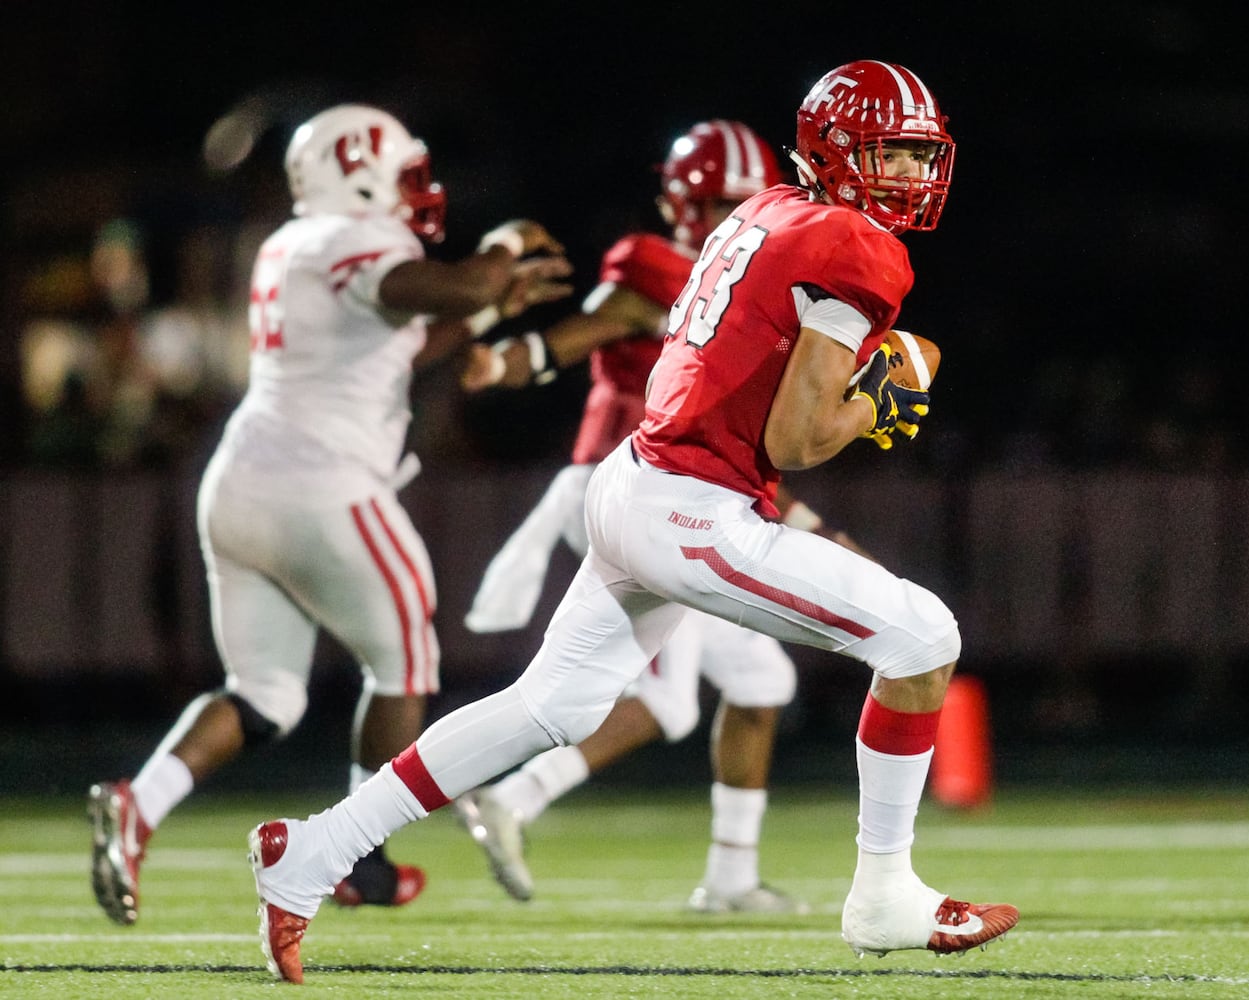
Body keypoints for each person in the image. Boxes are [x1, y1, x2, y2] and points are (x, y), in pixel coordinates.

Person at [249, 62, 1018, 984]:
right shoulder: (855, 246)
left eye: (917, 156)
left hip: (635, 480)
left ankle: (312, 850)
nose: (908, 176)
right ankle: (884, 893)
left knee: (551, 706)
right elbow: (799, 437)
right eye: (890, 153)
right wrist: (883, 398)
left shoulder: (769, 208)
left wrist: (865, 380)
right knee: (923, 635)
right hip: (691, 504)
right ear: (837, 151)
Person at [87, 103, 574, 926]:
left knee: (266, 693)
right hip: (324, 487)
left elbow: (400, 345)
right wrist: (502, 255)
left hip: (240, 483)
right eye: (406, 175)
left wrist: (484, 309)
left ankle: (141, 801)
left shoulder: (289, 243)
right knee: (405, 666)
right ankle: (355, 858)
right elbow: (457, 283)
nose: (420, 193)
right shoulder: (354, 240)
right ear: (360, 173)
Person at [452, 120, 863, 913]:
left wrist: (801, 520)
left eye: (740, 202)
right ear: (681, 200)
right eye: (716, 202)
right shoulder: (664, 268)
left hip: (691, 492)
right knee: (667, 702)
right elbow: (593, 325)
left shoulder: (754, 276)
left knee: (760, 679)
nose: (728, 216)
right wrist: (507, 360)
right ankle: (512, 797)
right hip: (632, 492)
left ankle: (731, 879)